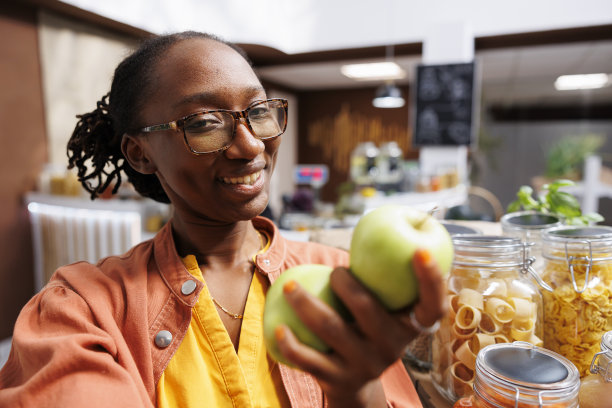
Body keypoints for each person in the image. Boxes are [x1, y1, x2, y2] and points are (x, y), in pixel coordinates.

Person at [0, 31, 447, 407]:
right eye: (205, 122)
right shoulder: (81, 309)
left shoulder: (341, 279)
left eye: (258, 112)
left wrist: (359, 390)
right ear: (140, 153)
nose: (251, 146)